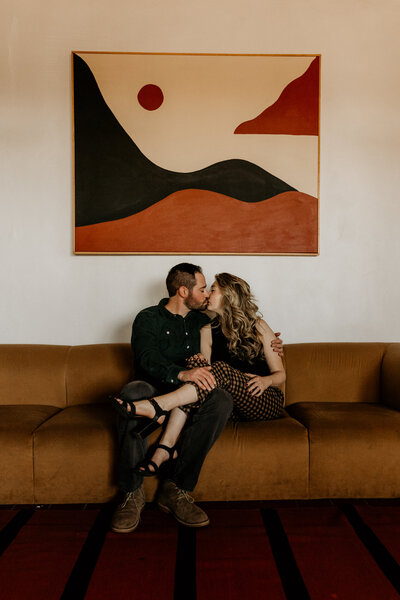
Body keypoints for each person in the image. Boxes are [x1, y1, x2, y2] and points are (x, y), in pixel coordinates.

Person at [110, 264, 283, 533]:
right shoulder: (148, 318)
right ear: (183, 291)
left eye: (209, 290)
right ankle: (132, 494)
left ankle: (176, 488)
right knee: (133, 392)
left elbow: (235, 334)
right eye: (202, 289)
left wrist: (272, 341)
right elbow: (146, 358)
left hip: (199, 394)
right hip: (153, 386)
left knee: (222, 399)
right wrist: (181, 374)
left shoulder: (203, 321)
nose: (205, 294)